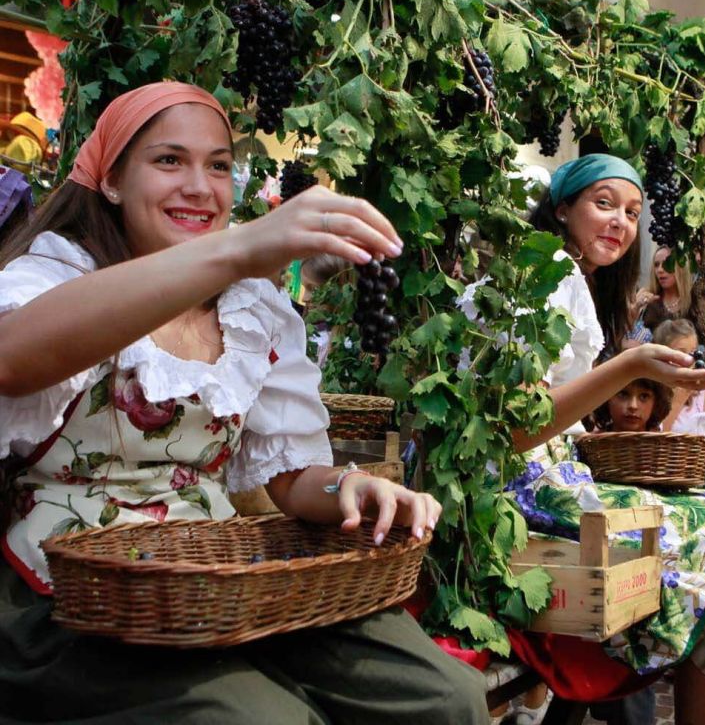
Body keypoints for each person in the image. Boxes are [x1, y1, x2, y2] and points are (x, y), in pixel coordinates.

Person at [0, 82, 488, 725]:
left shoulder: (252, 311)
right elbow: (13, 357)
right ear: (112, 181)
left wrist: (351, 485)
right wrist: (236, 249)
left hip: (220, 578)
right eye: (169, 160)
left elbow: (286, 478)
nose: (201, 186)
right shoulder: (54, 277)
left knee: (444, 700)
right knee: (260, 719)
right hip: (65, 596)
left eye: (220, 165)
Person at [508, 154, 705, 725]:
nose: (621, 223)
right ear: (561, 209)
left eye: (631, 212)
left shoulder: (571, 277)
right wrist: (630, 368)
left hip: (554, 467)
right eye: (604, 204)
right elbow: (520, 426)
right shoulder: (546, 267)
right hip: (516, 481)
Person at [651, 319, 705, 455]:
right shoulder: (650, 396)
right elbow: (654, 446)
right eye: (681, 353)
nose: (690, 361)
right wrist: (678, 401)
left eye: (694, 353)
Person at [626, 245, 693, 345]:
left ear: (681, 266)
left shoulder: (695, 299)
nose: (660, 270)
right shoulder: (646, 297)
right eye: (656, 265)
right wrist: (635, 308)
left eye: (666, 264)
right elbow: (622, 335)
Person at [592, 377, 672, 433]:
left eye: (644, 396)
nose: (633, 406)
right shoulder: (590, 447)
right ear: (606, 398)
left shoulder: (663, 448)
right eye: (623, 394)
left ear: (656, 402)